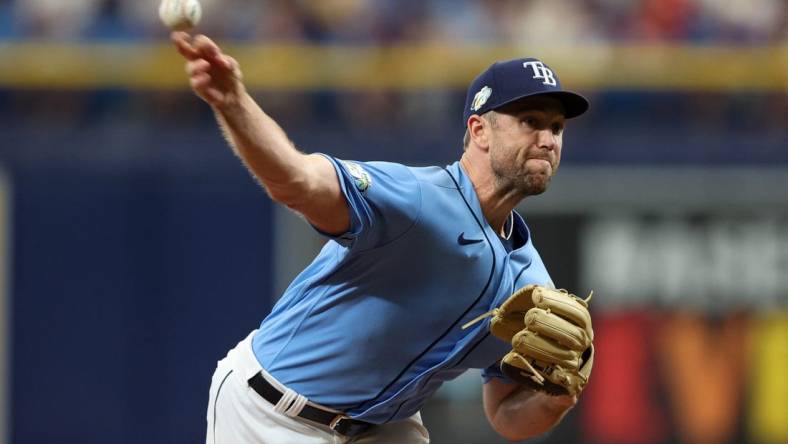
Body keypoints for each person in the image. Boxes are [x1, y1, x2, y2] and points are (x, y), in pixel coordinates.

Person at [171, 31, 591, 444]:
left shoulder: (531, 283)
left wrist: (556, 400)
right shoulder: (416, 199)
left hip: (385, 429)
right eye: (530, 121)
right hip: (272, 414)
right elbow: (295, 181)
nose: (547, 139)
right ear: (479, 130)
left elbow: (505, 416)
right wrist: (233, 103)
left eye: (556, 127)